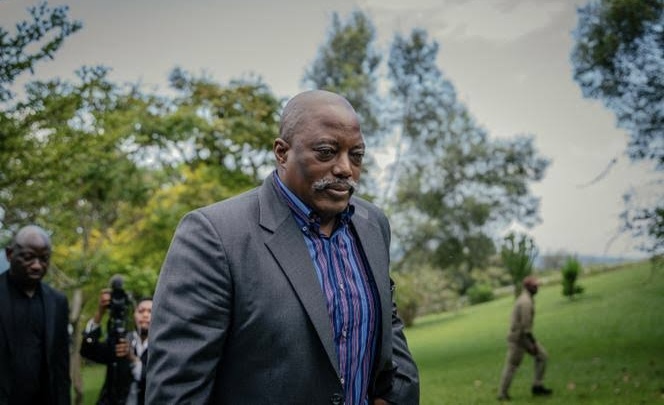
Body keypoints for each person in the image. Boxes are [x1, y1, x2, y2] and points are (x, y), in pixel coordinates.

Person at [147, 89, 420, 404]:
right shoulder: (213, 236)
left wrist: (395, 396)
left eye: (356, 155)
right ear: (282, 152)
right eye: (327, 152)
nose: (345, 168)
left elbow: (389, 329)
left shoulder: (373, 225)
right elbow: (176, 391)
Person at [0, 225, 71, 405]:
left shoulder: (58, 302)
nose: (37, 265)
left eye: (44, 259)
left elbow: (61, 366)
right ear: (9, 254)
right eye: (28, 257)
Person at [81, 290, 152, 405]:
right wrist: (100, 313)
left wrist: (133, 359)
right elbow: (88, 351)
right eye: (141, 311)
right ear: (133, 315)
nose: (145, 315)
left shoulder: (162, 347)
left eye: (150, 311)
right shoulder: (121, 340)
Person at [498, 275, 553, 400]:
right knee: (512, 365)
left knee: (542, 357)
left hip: (522, 337)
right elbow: (526, 327)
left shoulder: (526, 298)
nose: (537, 288)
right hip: (519, 339)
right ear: (528, 287)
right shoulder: (525, 302)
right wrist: (533, 344)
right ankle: (502, 394)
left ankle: (537, 386)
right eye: (535, 286)